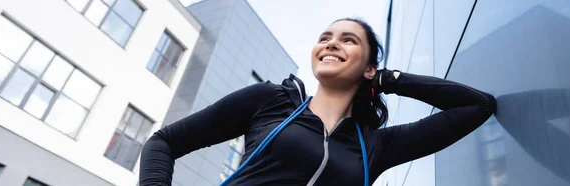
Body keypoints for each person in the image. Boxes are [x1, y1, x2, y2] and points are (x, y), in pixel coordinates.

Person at [139, 17, 497, 186]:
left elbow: (476, 107)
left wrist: (390, 79)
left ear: (369, 66)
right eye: (324, 37)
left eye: (348, 40)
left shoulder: (376, 146)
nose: (331, 43)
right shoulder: (273, 102)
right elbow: (164, 142)